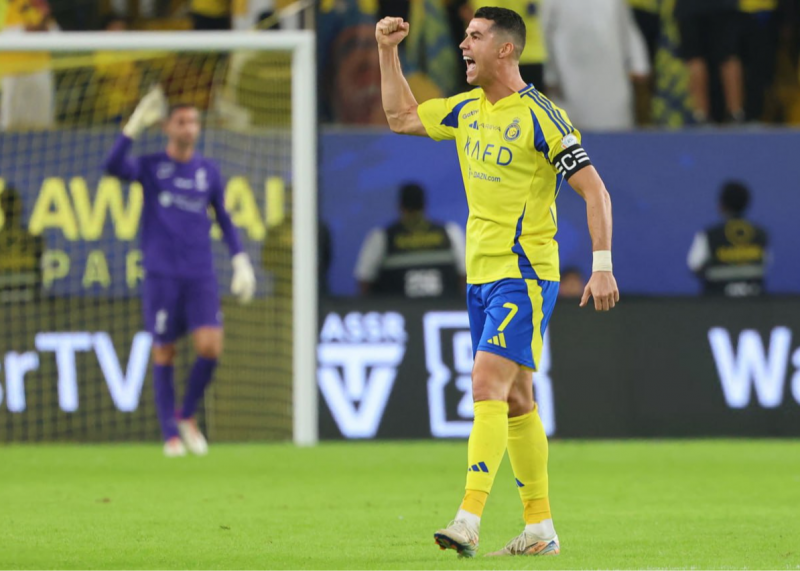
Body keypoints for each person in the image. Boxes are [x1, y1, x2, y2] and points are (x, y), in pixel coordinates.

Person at [376, 6, 619, 557]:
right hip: (480, 277)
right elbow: (401, 117)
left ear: (505, 49)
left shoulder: (542, 117)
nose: (464, 44)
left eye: (476, 36)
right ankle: (540, 529)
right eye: (465, 35)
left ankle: (468, 519)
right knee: (516, 400)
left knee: (486, 383)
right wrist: (388, 52)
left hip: (525, 274)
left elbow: (596, 191)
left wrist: (601, 264)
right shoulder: (465, 109)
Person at [103, 87, 256, 457]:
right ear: (167, 127)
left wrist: (240, 259)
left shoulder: (208, 171)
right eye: (182, 121)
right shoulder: (151, 166)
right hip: (162, 274)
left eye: (194, 122)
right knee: (164, 351)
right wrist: (134, 125)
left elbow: (224, 218)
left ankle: (186, 415)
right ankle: (170, 434)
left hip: (200, 274)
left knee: (210, 347)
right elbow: (112, 166)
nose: (190, 128)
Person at [541, 0, 650, 131]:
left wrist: (638, 64)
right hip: (569, 84)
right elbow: (542, 34)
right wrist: (549, 75)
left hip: (612, 85)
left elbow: (626, 28)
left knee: (616, 133)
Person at [354, 183, 466, 298]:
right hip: (443, 307)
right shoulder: (450, 232)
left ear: (400, 206)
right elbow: (465, 274)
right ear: (424, 205)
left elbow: (364, 279)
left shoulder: (381, 237)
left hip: (396, 307)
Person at [687, 181, 768, 297]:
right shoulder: (761, 234)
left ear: (722, 205)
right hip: (754, 302)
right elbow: (765, 263)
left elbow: (694, 266)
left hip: (716, 303)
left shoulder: (709, 235)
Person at [674, 0, 745, 124]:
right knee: (728, 57)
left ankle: (700, 116)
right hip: (723, 7)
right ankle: (735, 114)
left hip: (690, 7)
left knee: (695, 59)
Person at [0, 0, 57, 131]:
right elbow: (6, 35)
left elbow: (54, 32)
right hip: (11, 74)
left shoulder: (35, 4)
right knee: (11, 127)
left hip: (40, 72)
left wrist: (46, 17)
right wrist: (25, 30)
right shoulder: (3, 5)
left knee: (42, 125)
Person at [0, 184, 43, 303]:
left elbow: (39, 276)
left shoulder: (36, 241)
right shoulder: (36, 241)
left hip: (27, 303)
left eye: (13, 202)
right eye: (9, 202)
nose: (12, 207)